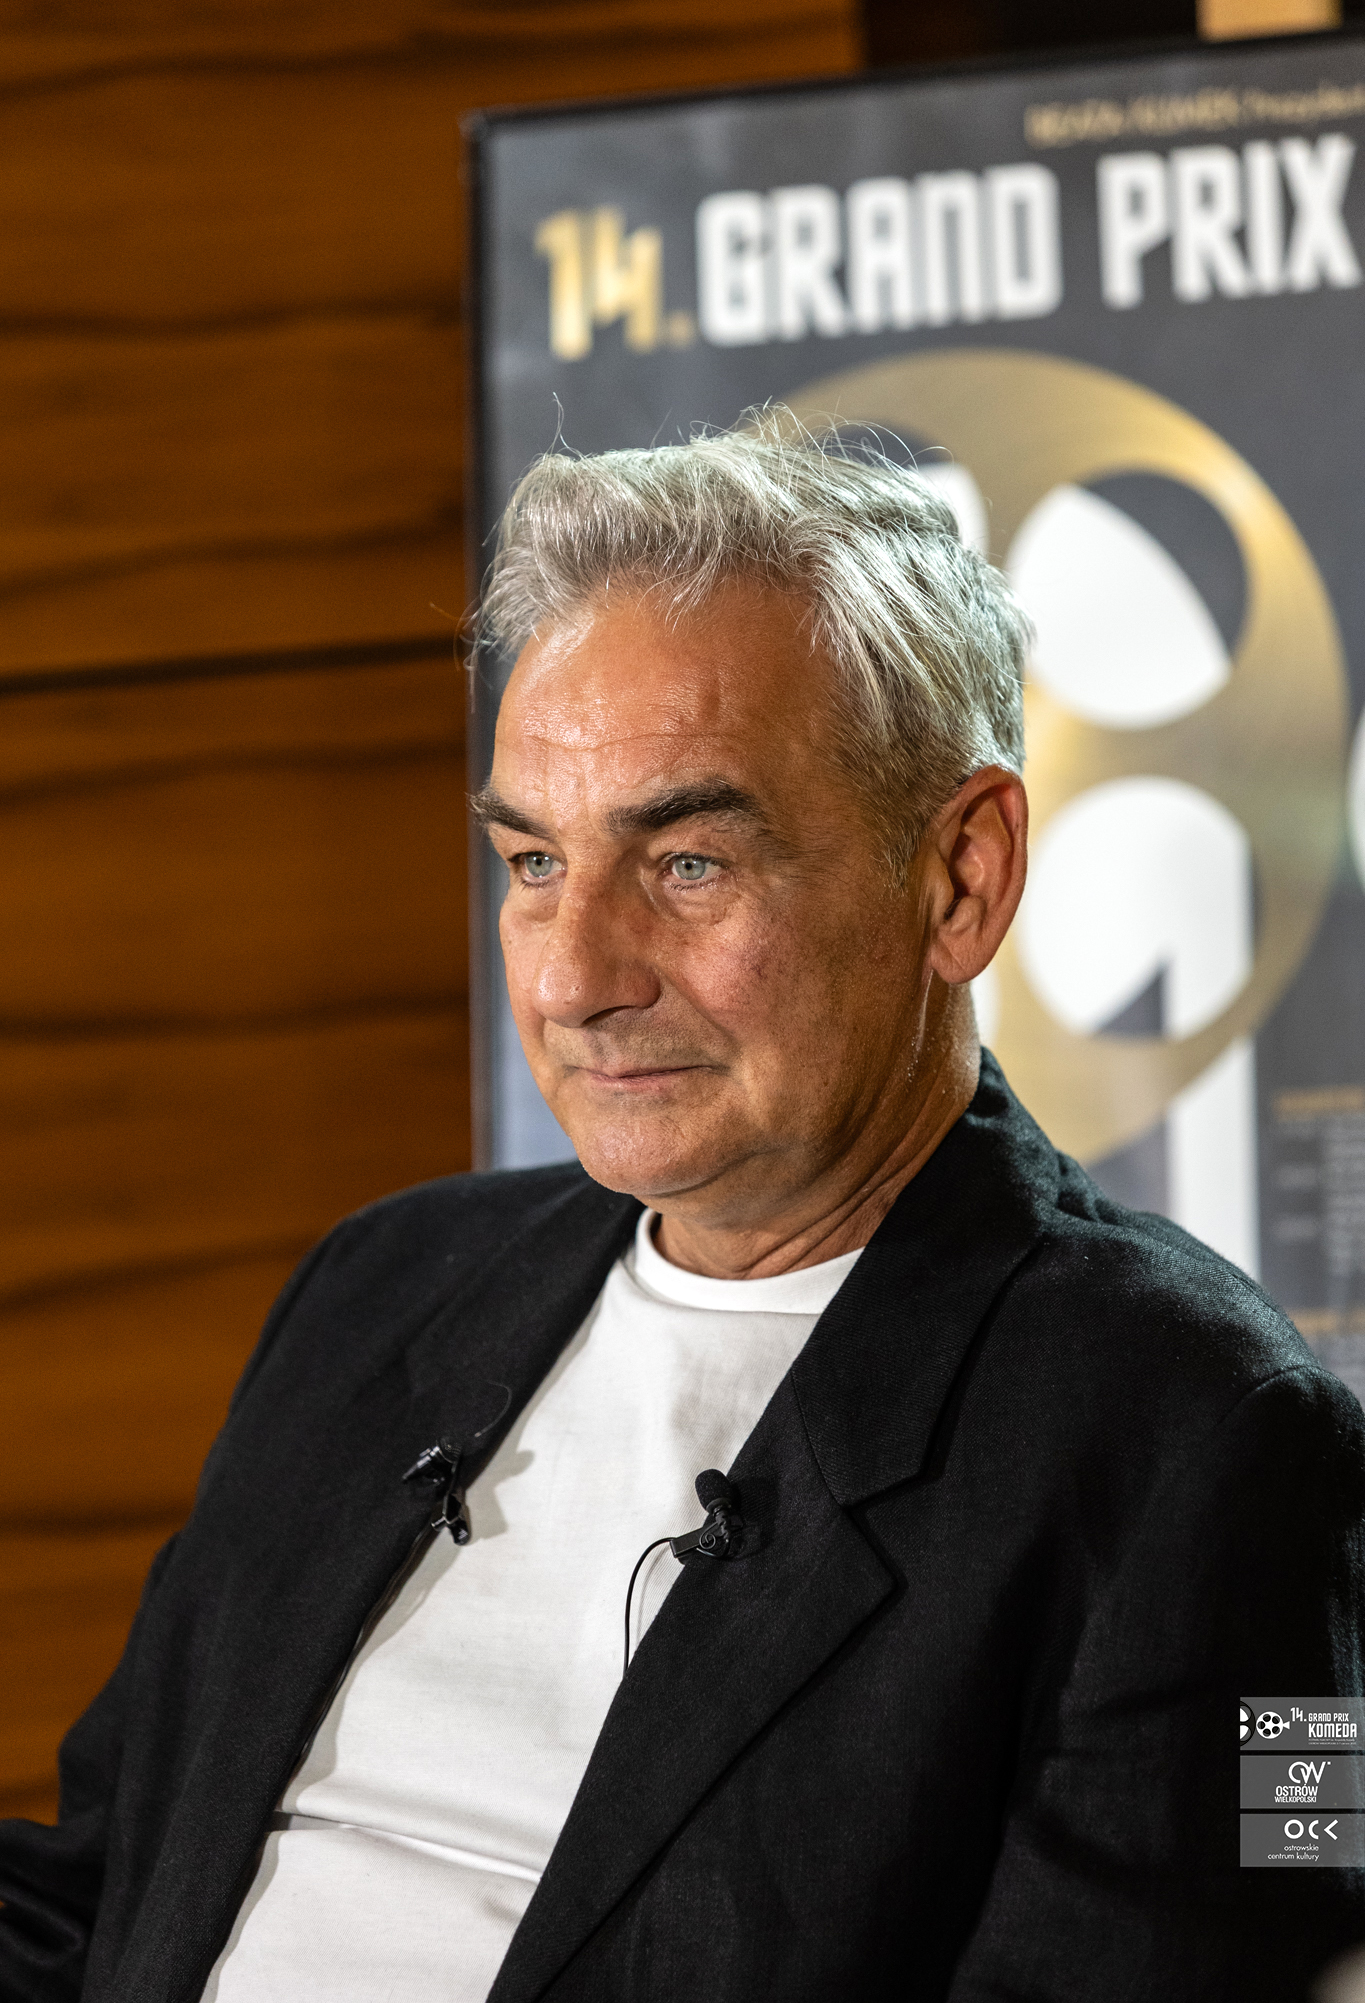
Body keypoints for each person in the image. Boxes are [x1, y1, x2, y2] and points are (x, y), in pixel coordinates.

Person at [1, 418, 1362, 2003]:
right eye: (532, 861)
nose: (573, 978)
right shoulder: (381, 1286)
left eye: (689, 862)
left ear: (959, 877)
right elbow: (97, 1889)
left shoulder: (1215, 1440)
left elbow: (1230, 1948)